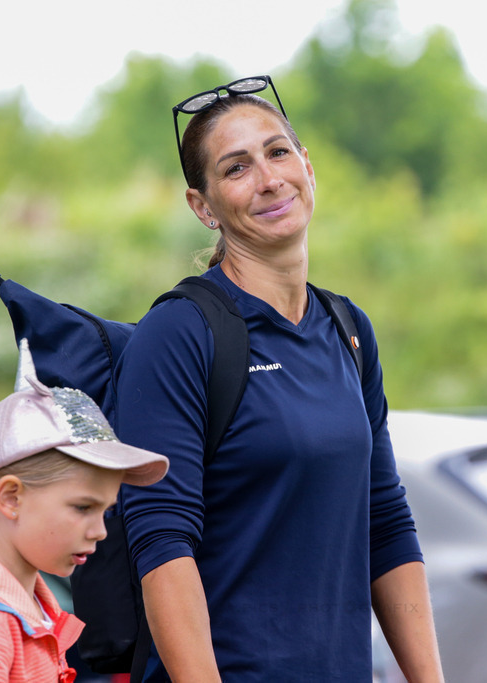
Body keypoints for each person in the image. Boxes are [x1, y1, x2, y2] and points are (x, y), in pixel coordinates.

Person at [115, 75, 445, 682]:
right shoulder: (181, 334)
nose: (268, 179)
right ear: (203, 206)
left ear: (307, 166)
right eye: (236, 168)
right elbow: (163, 546)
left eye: (277, 152)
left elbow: (386, 522)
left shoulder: (348, 328)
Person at [0, 345, 169, 683]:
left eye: (106, 511)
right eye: (83, 507)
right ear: (11, 498)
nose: (100, 531)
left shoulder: (18, 607)